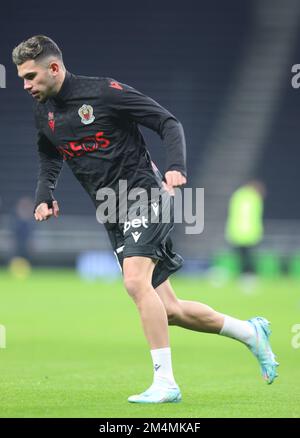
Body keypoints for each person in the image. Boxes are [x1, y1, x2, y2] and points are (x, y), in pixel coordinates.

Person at [12, 35, 278, 404]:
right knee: (168, 309)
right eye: (21, 78)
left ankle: (166, 382)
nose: (24, 85)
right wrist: (45, 194)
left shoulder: (104, 92)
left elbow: (167, 121)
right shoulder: (45, 111)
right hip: (112, 212)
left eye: (30, 76)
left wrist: (176, 168)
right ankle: (249, 332)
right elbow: (48, 154)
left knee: (135, 282)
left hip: (146, 195)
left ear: (54, 68)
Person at [226, 181, 266, 275]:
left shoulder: (238, 195)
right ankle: (249, 274)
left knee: (241, 257)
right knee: (249, 257)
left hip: (236, 232)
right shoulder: (255, 198)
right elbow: (255, 217)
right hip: (250, 233)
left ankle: (244, 274)